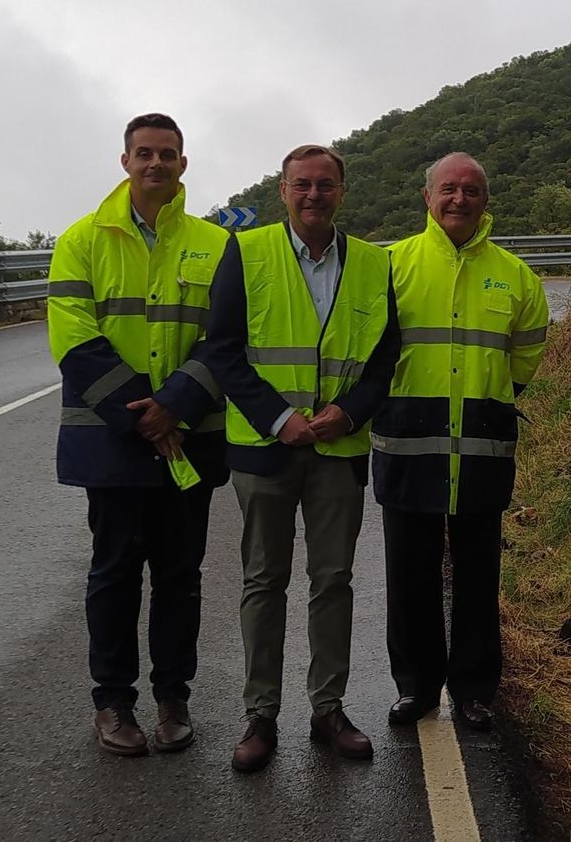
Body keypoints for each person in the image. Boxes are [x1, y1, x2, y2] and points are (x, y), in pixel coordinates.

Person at [204, 144, 398, 769]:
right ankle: (260, 716)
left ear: (342, 190)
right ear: (283, 190)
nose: (314, 195)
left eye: (326, 185)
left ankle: (327, 710)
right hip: (264, 449)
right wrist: (277, 417)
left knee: (333, 580)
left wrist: (350, 412)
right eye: (302, 185)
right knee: (264, 581)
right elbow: (223, 349)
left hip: (338, 448)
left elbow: (383, 360)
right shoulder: (246, 252)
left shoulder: (373, 262)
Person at [47, 112, 231, 757]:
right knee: (115, 573)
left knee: (181, 575)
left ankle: (173, 697)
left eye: (168, 153)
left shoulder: (216, 244)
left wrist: (174, 404)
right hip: (114, 442)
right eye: (145, 153)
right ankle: (112, 702)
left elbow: (227, 337)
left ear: (184, 163)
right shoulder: (80, 241)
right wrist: (142, 415)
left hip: (189, 438)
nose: (156, 163)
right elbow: (73, 337)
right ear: (125, 161)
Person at [370, 152, 550, 731]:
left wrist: (492, 392)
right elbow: (367, 350)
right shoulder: (388, 265)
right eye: (448, 188)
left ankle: (474, 689)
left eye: (471, 190)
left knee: (477, 576)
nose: (459, 199)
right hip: (408, 443)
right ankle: (416, 687)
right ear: (427, 197)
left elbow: (527, 352)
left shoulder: (516, 275)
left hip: (482, 446)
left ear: (485, 200)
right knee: (410, 574)